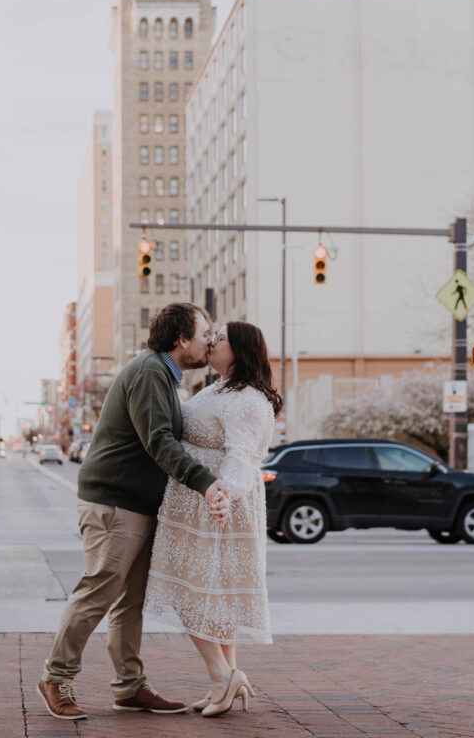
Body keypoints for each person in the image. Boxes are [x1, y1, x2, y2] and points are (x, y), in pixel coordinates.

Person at [37, 303, 230, 721]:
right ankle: (56, 677)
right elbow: (158, 441)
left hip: (138, 505)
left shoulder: (164, 376)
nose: (210, 341)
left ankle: (128, 687)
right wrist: (206, 482)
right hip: (114, 501)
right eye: (205, 332)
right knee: (99, 590)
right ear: (181, 339)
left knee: (130, 602)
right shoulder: (148, 372)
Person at [143, 320, 282, 717]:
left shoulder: (246, 400)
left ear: (238, 350)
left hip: (213, 504)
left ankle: (222, 675)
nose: (211, 343)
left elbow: (242, 458)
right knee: (213, 597)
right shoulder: (220, 388)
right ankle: (225, 681)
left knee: (191, 592)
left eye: (218, 339)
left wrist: (223, 497)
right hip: (197, 500)